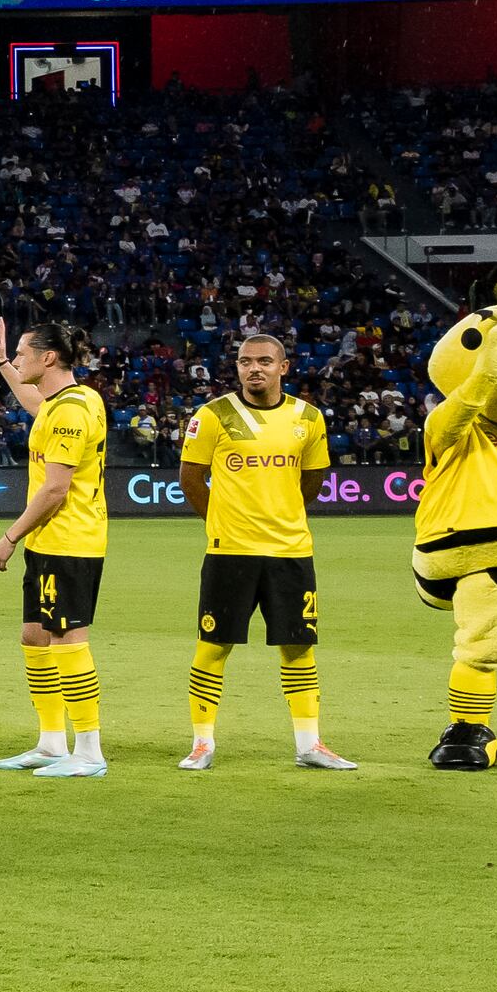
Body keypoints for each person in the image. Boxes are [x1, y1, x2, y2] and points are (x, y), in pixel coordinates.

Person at [179, 326, 354, 770]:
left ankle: (309, 745)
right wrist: (222, 521)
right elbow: (190, 479)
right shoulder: (214, 415)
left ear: (283, 368)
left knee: (299, 647)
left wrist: (282, 512)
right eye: (245, 362)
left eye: (263, 362)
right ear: (237, 367)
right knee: (213, 645)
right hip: (230, 551)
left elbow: (311, 480)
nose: (253, 369)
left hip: (291, 551)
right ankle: (202, 744)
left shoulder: (308, 417)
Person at [0, 314, 115, 777]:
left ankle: (89, 751)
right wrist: (1, 363)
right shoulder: (63, 402)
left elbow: (56, 489)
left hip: (70, 540)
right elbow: (33, 401)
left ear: (48, 357)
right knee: (35, 636)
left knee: (66, 638)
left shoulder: (75, 410)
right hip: (51, 540)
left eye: (22, 353)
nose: (19, 360)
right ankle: (52, 743)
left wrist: (9, 536)